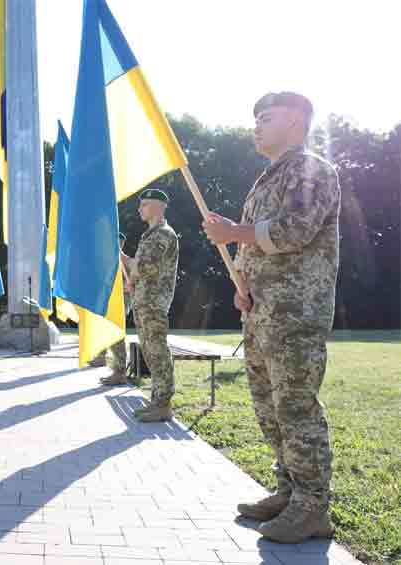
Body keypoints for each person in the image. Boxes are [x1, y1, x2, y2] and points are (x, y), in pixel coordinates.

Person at [202, 92, 338, 544]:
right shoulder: (266, 180)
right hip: (263, 311)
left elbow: (297, 230)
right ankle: (289, 492)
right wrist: (244, 287)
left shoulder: (311, 169)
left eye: (266, 118)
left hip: (296, 313)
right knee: (269, 408)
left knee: (295, 406)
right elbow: (256, 246)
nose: (256, 126)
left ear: (296, 121)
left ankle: (313, 506)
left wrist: (234, 232)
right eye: (255, 119)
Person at [121, 189, 179, 422]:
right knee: (149, 351)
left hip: (154, 301)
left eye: (144, 204)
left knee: (157, 350)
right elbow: (140, 270)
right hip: (144, 299)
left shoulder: (163, 234)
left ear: (157, 206)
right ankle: (157, 401)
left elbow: (144, 267)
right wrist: (132, 279)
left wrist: (124, 259)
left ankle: (163, 404)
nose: (139, 209)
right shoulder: (149, 235)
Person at [99, 232, 132, 386]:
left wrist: (127, 286)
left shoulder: (124, 260)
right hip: (109, 300)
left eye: (119, 242)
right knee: (109, 332)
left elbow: (133, 281)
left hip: (122, 300)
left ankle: (120, 371)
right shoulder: (107, 260)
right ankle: (115, 367)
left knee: (116, 332)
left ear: (122, 244)